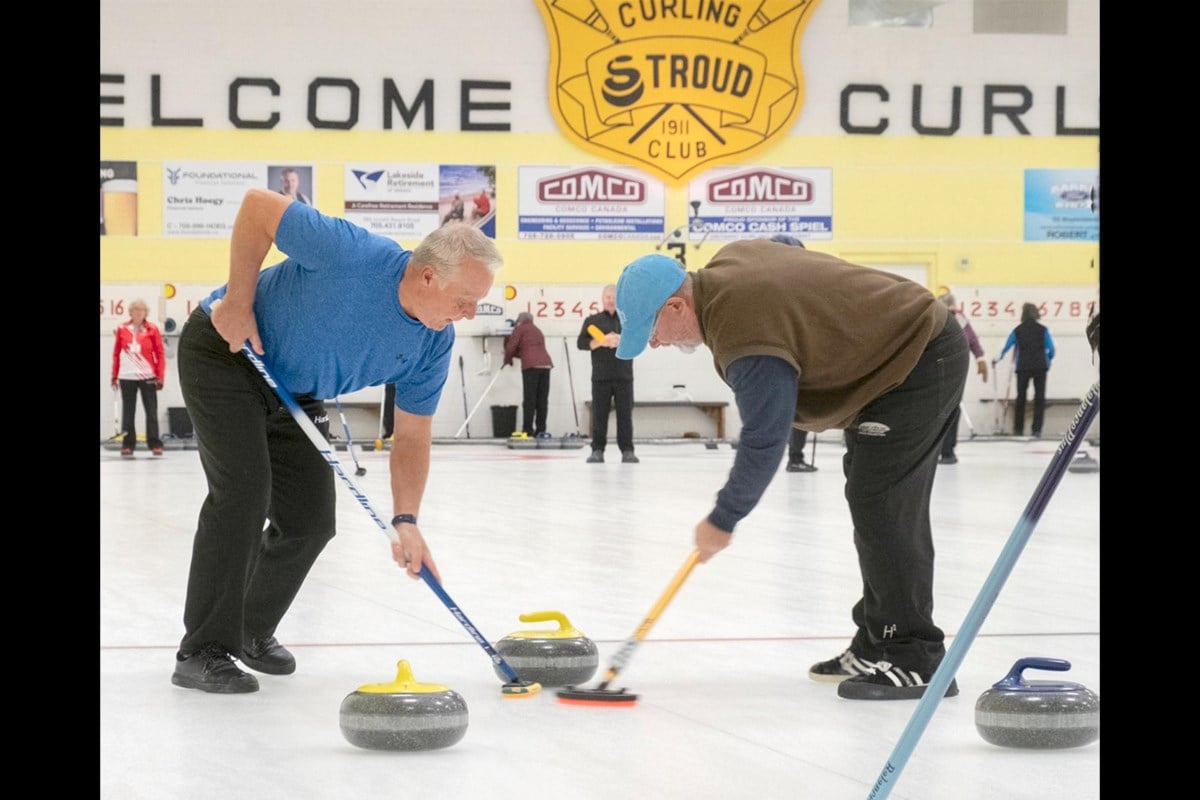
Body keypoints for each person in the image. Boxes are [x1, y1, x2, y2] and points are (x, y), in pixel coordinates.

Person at [172, 188, 502, 694]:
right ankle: (203, 650)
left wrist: (407, 519)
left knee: (309, 521)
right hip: (228, 350)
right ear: (429, 275)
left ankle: (247, 628)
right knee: (243, 492)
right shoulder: (353, 254)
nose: (470, 313)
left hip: (295, 389)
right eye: (465, 301)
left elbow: (411, 435)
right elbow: (258, 208)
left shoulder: (434, 341)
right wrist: (239, 302)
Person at [613, 240, 967, 700]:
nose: (656, 343)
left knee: (883, 502)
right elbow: (788, 248)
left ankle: (914, 655)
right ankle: (879, 639)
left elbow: (765, 440)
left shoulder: (744, 333)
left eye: (652, 330)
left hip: (918, 356)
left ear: (678, 305)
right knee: (870, 496)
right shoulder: (730, 261)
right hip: (889, 363)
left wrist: (723, 519)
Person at [578, 284, 638, 464]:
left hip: (624, 376)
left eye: (614, 297)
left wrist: (620, 340)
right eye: (608, 297)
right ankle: (597, 450)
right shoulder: (592, 320)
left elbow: (638, 342)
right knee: (599, 415)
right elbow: (581, 343)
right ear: (603, 299)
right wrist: (601, 341)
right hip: (600, 377)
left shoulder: (628, 321)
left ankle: (627, 450)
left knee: (625, 416)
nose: (611, 300)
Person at [936, 292, 988, 464]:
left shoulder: (938, 317)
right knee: (951, 408)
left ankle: (941, 451)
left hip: (939, 367)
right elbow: (972, 340)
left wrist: (980, 359)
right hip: (957, 366)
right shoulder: (959, 318)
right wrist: (980, 359)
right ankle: (947, 452)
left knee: (938, 410)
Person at [111, 298, 167, 456]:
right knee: (128, 411)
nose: (138, 312)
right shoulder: (123, 329)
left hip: (147, 375)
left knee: (151, 410)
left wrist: (160, 376)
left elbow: (160, 353)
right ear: (130, 312)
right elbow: (116, 354)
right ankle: (128, 444)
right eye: (135, 309)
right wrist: (114, 376)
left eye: (141, 310)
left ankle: (155, 443)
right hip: (127, 375)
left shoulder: (152, 329)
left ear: (146, 313)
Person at [996, 302, 1055, 437]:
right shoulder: (1043, 329)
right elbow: (1051, 349)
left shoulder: (1017, 330)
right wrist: (1049, 359)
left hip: (1023, 367)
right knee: (1039, 398)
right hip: (1041, 367)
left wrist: (998, 359)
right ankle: (1037, 429)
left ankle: (1018, 429)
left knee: (1021, 398)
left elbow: (1006, 347)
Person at [503, 311, 554, 437]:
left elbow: (511, 347)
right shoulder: (537, 330)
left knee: (529, 400)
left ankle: (527, 430)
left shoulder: (520, 329)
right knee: (542, 400)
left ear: (519, 321)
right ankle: (541, 430)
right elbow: (528, 349)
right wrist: (512, 357)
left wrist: (507, 359)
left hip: (531, 367)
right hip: (546, 366)